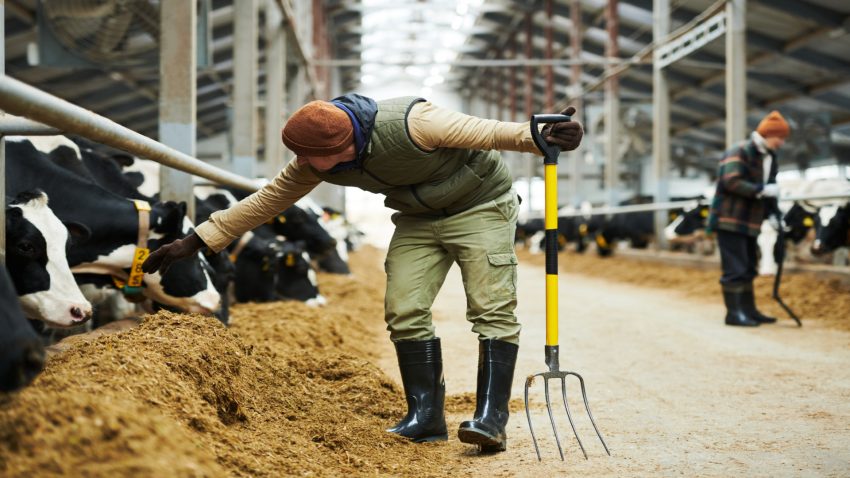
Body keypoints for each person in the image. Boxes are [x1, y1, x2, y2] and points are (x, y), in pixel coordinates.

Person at [141, 93, 583, 452]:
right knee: (403, 308)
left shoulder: (414, 122)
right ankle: (425, 417)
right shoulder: (312, 160)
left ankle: (491, 419)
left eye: (321, 159)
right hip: (416, 219)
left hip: (481, 206)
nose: (313, 168)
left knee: (491, 305)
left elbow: (489, 133)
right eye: (307, 160)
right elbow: (265, 201)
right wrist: (193, 242)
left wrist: (544, 135)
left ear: (346, 143)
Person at [706, 110, 790, 327]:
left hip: (752, 221)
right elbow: (730, 181)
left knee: (749, 265)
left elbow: (771, 188)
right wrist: (761, 190)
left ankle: (748, 310)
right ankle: (733, 314)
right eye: (779, 137)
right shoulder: (740, 150)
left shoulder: (770, 157)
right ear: (767, 134)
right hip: (730, 218)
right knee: (735, 267)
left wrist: (773, 215)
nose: (781, 142)